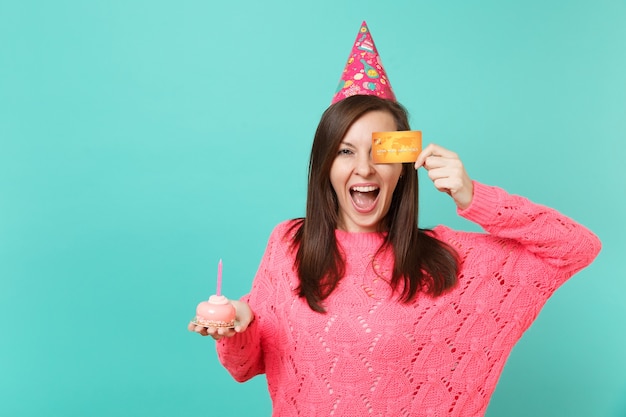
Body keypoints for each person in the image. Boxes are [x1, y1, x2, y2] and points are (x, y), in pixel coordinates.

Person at [188, 23, 601, 417]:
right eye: (346, 151)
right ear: (325, 166)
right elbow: (245, 366)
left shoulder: (450, 258)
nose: (364, 169)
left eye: (380, 152)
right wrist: (239, 329)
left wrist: (473, 196)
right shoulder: (288, 244)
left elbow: (577, 247)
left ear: (403, 166)